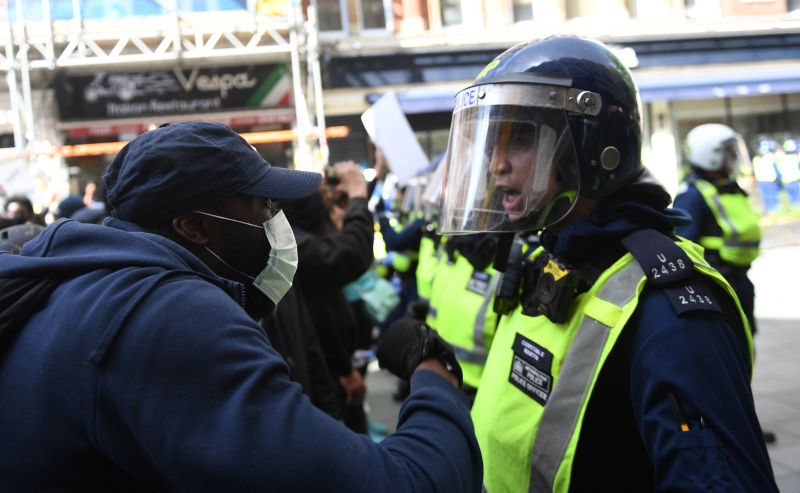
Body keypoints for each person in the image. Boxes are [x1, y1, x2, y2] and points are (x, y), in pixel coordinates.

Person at [0, 121, 481, 491]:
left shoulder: (92, 280)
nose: (277, 220)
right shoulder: (166, 315)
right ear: (193, 227)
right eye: (263, 205)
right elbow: (405, 484)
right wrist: (434, 375)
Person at [436, 35, 777, 491]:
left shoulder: (669, 317)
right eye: (491, 143)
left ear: (595, 144)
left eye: (519, 137)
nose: (495, 164)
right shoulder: (549, 262)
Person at [674, 123, 762, 337]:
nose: (734, 156)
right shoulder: (692, 194)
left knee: (746, 342)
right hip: (718, 286)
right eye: (728, 151)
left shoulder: (728, 187)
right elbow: (684, 246)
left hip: (740, 281)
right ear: (710, 155)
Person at [752, 139, 780, 215]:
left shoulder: (756, 159)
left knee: (766, 196)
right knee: (772, 196)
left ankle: (768, 211)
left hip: (761, 180)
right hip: (770, 180)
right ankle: (774, 211)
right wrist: (779, 179)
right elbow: (776, 169)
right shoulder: (771, 157)